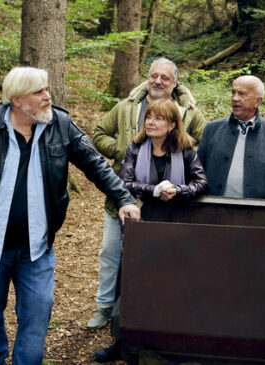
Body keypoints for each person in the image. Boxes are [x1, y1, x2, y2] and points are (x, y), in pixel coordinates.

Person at [0, 66, 140, 365]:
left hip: (37, 247)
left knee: (37, 314)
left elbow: (94, 163)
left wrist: (123, 198)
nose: (48, 96)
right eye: (40, 92)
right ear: (18, 99)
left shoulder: (60, 123)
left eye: (47, 89)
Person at [89, 57, 206, 329]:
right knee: (110, 253)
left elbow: (202, 144)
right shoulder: (126, 107)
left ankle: (151, 310)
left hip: (169, 206)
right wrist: (123, 149)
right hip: (123, 196)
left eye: (165, 77)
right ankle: (104, 306)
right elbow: (99, 133)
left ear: (175, 82)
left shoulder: (190, 113)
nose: (158, 81)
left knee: (157, 257)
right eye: (154, 75)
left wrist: (180, 164)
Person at [198, 75, 265, 202]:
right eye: (233, 93)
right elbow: (197, 170)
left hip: (257, 211)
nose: (235, 98)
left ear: (258, 101)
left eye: (242, 94)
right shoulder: (212, 129)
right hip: (214, 207)